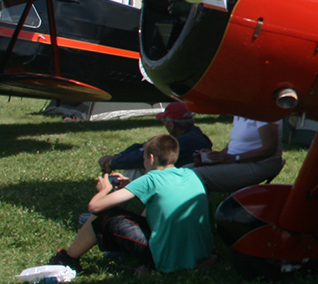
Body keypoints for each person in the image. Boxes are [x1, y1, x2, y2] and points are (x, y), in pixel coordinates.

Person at [47, 133, 214, 274]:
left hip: (166, 261)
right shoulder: (190, 174)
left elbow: (95, 206)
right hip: (200, 255)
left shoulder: (151, 179)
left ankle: (68, 259)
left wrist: (104, 190)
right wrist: (131, 188)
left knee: (105, 216)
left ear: (150, 158)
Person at [98, 100, 213, 177]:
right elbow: (143, 146)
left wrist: (113, 163)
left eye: (165, 121)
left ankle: (108, 208)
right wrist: (118, 156)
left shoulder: (185, 142)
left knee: (137, 168)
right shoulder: (195, 137)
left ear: (171, 124)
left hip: (178, 182)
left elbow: (142, 157)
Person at [189, 115, 284, 196]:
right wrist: (214, 157)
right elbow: (235, 143)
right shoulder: (240, 112)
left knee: (194, 175)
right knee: (184, 171)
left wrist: (234, 158)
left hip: (259, 164)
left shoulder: (264, 113)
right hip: (235, 160)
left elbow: (269, 150)